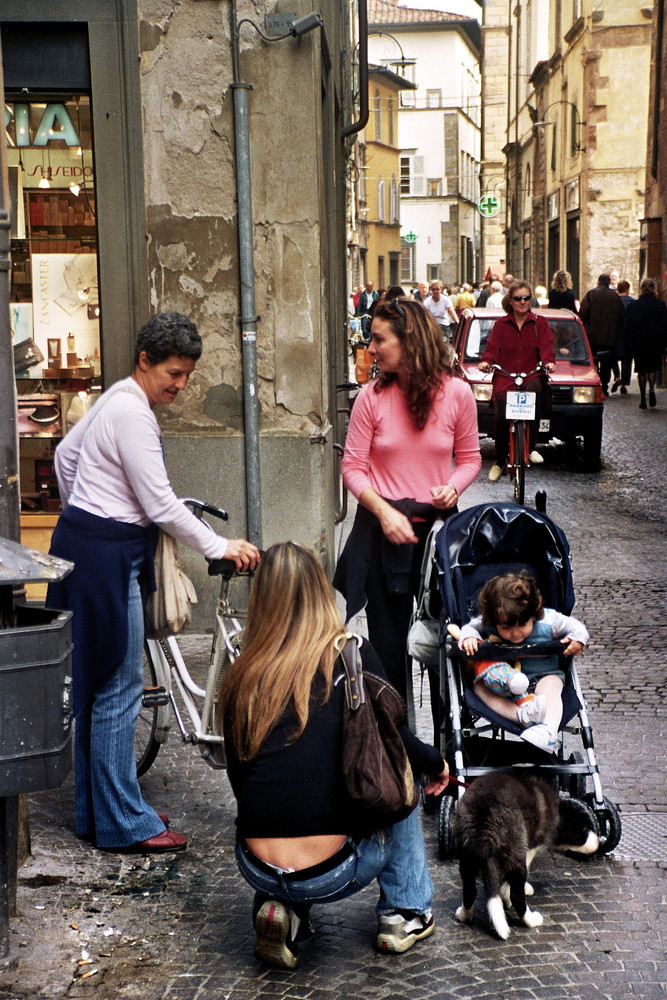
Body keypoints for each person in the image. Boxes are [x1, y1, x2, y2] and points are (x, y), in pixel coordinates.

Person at [46, 312, 260, 854]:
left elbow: (63, 456)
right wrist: (219, 546)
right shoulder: (132, 413)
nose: (181, 385)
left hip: (88, 546)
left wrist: (83, 510)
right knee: (119, 686)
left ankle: (98, 812)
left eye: (187, 375)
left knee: (99, 685)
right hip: (107, 555)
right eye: (174, 373)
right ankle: (122, 822)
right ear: (145, 360)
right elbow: (160, 503)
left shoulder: (118, 398)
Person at [220, 542, 450, 968]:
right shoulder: (351, 653)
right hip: (332, 871)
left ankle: (281, 909)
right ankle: (405, 912)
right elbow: (395, 740)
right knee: (401, 770)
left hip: (255, 865)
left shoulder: (241, 673)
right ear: (319, 591)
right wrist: (435, 763)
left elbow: (240, 778)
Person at [333, 297, 481, 715]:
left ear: (409, 340)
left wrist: (452, 487)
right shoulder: (371, 398)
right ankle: (399, 758)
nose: (371, 348)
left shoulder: (457, 394)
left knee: (442, 651)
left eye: (379, 339)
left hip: (437, 538)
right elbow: (353, 468)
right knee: (389, 650)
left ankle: (443, 760)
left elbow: (470, 458)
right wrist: (384, 512)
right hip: (382, 538)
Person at [458, 571, 589, 754]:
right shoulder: (489, 622)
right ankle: (520, 716)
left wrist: (577, 640)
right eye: (506, 628)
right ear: (494, 621)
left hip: (543, 676)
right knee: (479, 687)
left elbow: (577, 628)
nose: (515, 633)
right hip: (504, 686)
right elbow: (468, 629)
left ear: (534, 615)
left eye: (522, 625)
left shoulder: (549, 621)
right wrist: (469, 638)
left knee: (551, 687)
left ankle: (548, 732)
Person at [479, 280, 556, 482]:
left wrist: (548, 362)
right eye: (518, 298)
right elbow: (492, 347)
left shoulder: (540, 323)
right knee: (501, 416)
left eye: (526, 298)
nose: (522, 302)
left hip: (530, 373)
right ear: (510, 301)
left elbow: (546, 346)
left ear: (531, 300)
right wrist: (487, 361)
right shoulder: (501, 325)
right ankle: (500, 461)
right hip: (506, 375)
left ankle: (530, 448)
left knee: (536, 395)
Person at [579, 274, 626, 396]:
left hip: (592, 337)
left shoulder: (591, 294)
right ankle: (604, 387)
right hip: (609, 338)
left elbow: (582, 313)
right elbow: (621, 315)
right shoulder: (614, 297)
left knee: (593, 363)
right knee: (606, 365)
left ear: (598, 282)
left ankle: (596, 386)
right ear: (609, 283)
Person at [623, 277, 667, 409]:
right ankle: (652, 388)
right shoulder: (660, 305)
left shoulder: (634, 306)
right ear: (654, 289)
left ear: (641, 289)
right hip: (654, 341)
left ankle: (643, 397)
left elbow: (629, 325)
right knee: (652, 368)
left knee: (641, 370)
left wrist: (629, 343)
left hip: (639, 342)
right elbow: (665, 325)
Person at [614, 279, 635, 394]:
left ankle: (617, 376)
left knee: (613, 357)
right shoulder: (633, 302)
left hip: (616, 333)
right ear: (628, 289)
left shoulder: (614, 301)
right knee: (627, 360)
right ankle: (624, 383)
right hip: (628, 334)